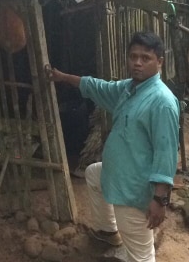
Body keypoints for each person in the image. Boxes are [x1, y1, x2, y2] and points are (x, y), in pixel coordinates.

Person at [46, 31, 180, 262]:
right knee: (93, 174)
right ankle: (108, 232)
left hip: (133, 189)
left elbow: (166, 154)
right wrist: (63, 77)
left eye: (145, 58)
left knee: (140, 256)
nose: (137, 63)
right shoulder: (129, 89)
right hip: (118, 172)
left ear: (159, 62)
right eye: (133, 56)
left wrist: (159, 200)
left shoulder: (162, 102)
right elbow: (99, 87)